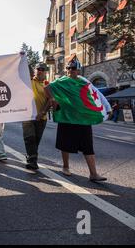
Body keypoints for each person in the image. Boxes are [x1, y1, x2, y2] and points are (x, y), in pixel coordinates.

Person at [44, 55, 110, 183]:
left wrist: (107, 107)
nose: (71, 70)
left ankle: (93, 174)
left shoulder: (84, 81)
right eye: (68, 68)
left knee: (88, 147)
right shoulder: (61, 81)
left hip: (83, 119)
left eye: (73, 68)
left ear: (78, 70)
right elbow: (47, 88)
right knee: (65, 145)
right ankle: (65, 166)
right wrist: (52, 98)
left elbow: (96, 93)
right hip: (67, 118)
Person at [22, 63, 50, 170]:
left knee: (36, 140)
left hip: (41, 118)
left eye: (42, 69)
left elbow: (50, 100)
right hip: (27, 116)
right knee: (30, 138)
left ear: (45, 71)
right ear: (35, 70)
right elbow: (22, 72)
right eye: (38, 69)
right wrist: (21, 58)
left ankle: (31, 157)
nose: (40, 71)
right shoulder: (29, 81)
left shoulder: (47, 84)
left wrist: (42, 113)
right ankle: (32, 161)